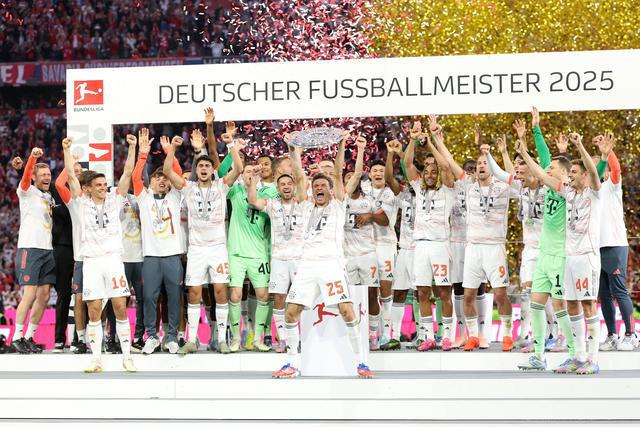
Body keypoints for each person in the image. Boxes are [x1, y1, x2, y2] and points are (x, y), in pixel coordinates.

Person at [272, 137, 373, 379]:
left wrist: (341, 144)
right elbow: (299, 176)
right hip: (307, 265)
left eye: (323, 185)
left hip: (331, 265)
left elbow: (338, 173)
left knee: (347, 310)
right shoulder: (306, 206)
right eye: (315, 185)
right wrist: (292, 149)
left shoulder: (338, 204)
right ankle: (292, 364)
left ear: (330, 190)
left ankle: (361, 362)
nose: (319, 188)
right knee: (290, 312)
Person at [517, 130, 604, 374]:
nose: (572, 176)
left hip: (585, 256)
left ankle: (592, 359)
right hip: (568, 257)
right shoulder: (566, 190)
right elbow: (542, 174)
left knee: (587, 306)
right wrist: (524, 152)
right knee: (572, 305)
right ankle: (577, 356)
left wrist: (580, 146)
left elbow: (594, 173)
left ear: (584, 175)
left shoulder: (593, 192)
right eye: (571, 172)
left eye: (575, 172)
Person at [435, 116, 515, 352]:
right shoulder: (468, 186)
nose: (481, 166)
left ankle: (507, 335)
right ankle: (472, 336)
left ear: (492, 167)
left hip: (495, 247)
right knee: (468, 295)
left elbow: (512, 175)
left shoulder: (503, 188)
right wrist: (438, 140)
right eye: (478, 163)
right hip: (473, 248)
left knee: (501, 295)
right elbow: (449, 161)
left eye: (485, 163)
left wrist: (502, 153)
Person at [162, 129, 243, 354]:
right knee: (194, 293)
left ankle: (222, 339)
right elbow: (167, 171)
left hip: (217, 248)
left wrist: (231, 145)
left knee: (220, 292)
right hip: (196, 249)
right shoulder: (188, 188)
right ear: (196, 170)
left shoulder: (221, 186)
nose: (204, 168)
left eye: (208, 166)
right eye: (201, 166)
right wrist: (173, 148)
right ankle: (192, 340)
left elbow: (238, 169)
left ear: (211, 170)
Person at [61, 137, 135, 373]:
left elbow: (127, 173)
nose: (104, 188)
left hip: (113, 260)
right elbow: (71, 176)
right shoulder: (79, 203)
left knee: (120, 307)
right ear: (89, 188)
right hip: (91, 262)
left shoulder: (115, 200)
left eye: (105, 184)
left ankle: (127, 357)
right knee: (94, 311)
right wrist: (66, 150)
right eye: (99, 185)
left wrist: (132, 147)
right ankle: (96, 359)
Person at [515, 107, 578, 371]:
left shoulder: (565, 188)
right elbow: (543, 158)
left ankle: (574, 354)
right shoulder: (550, 184)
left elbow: (541, 172)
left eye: (551, 167)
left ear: (562, 172)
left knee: (560, 305)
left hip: (560, 256)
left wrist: (523, 154)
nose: (546, 168)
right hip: (544, 255)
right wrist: (536, 129)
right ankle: (539, 356)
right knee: (537, 303)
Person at [485, 122, 545, 350]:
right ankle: (526, 333)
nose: (517, 174)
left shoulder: (547, 188)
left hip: (549, 249)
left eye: (521, 170)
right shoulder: (520, 188)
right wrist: (489, 154)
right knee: (528, 291)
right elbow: (500, 173)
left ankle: (552, 333)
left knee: (547, 294)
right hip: (530, 248)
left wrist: (524, 144)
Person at [247, 140, 307, 353]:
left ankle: (302, 337)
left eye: (289, 183)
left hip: (299, 259)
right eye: (282, 184)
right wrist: (254, 180)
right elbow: (252, 200)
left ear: (294, 186)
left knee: (300, 299)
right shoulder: (271, 204)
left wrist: (293, 151)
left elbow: (300, 176)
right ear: (277, 187)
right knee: (279, 298)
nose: (287, 186)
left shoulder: (302, 202)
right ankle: (283, 339)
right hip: (279, 259)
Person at [403, 120, 455, 351]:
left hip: (440, 246)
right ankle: (427, 336)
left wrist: (432, 141)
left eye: (435, 171)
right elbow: (407, 163)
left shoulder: (448, 189)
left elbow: (446, 166)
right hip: (420, 247)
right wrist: (413, 139)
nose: (431, 174)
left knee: (444, 291)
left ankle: (447, 336)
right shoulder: (418, 188)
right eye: (427, 171)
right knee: (422, 291)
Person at [132, 129, 185, 355]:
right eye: (157, 178)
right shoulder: (143, 198)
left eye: (165, 178)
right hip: (151, 256)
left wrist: (170, 151)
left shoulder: (175, 196)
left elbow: (177, 173)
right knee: (149, 298)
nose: (162, 180)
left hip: (172, 255)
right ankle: (152, 337)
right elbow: (136, 177)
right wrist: (142, 155)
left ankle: (172, 336)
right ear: (150, 183)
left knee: (174, 298)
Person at [226, 137, 277, 352]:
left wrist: (256, 181)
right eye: (246, 172)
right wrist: (232, 147)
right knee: (235, 295)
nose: (249, 174)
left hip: (259, 254)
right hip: (236, 254)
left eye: (252, 172)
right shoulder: (234, 192)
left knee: (264, 295)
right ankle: (236, 338)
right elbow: (231, 171)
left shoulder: (268, 194)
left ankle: (258, 338)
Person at [341, 137, 386, 345]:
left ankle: (374, 334)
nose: (352, 180)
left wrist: (370, 216)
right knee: (349, 298)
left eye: (355, 177)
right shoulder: (340, 201)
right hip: (348, 257)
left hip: (368, 254)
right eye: (347, 178)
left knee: (371, 295)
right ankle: (353, 336)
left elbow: (385, 220)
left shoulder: (369, 200)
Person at [10, 147, 55, 354]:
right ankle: (16, 337)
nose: (47, 177)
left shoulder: (48, 196)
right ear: (34, 177)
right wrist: (33, 158)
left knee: (44, 295)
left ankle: (29, 336)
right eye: (43, 174)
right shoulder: (26, 191)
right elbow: (26, 175)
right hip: (30, 247)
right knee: (29, 294)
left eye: (48, 174)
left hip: (47, 249)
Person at [595, 132, 637, 351]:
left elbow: (617, 170)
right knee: (603, 295)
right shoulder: (589, 192)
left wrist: (608, 152)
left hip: (614, 244)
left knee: (619, 291)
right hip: (595, 247)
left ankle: (631, 334)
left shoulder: (611, 186)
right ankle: (612, 335)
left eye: (598, 165)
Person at [362, 155, 398, 349]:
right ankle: (373, 335)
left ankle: (386, 334)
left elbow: (384, 220)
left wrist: (368, 215)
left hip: (386, 245)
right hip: (367, 246)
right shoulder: (364, 191)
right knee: (370, 291)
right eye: (375, 170)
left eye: (381, 171)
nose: (378, 173)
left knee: (385, 291)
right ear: (370, 174)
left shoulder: (391, 193)